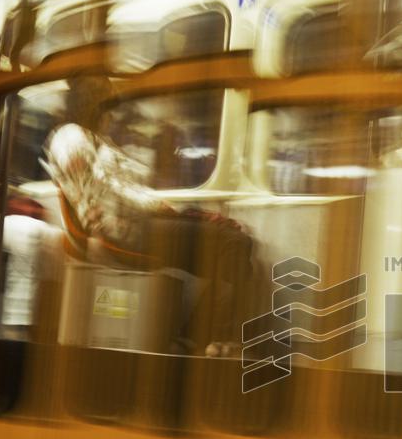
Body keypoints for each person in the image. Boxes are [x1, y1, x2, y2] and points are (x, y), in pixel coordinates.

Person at [43, 76, 256, 356]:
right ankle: (211, 338)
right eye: (109, 109)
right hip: (125, 232)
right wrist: (169, 209)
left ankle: (196, 337)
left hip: (136, 223)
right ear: (94, 107)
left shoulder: (90, 139)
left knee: (233, 245)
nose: (114, 117)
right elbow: (110, 191)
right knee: (233, 243)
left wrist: (180, 212)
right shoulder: (71, 137)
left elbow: (120, 189)